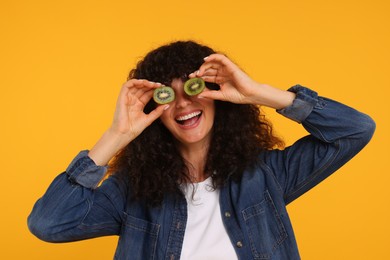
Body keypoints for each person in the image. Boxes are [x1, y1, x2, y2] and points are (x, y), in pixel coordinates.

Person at [28, 41, 375, 260]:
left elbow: (356, 129)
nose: (182, 105)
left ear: (214, 95)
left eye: (192, 89)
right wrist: (117, 134)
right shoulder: (130, 192)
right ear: (155, 109)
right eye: (167, 95)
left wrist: (257, 92)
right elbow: (48, 224)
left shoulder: (266, 176)